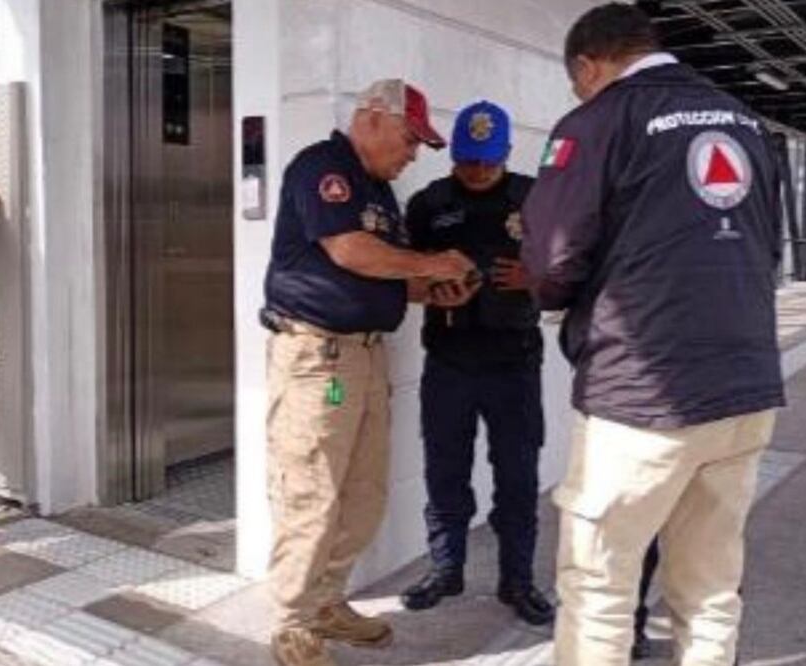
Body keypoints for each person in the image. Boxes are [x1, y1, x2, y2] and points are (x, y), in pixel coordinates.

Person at [521, 4, 785, 665]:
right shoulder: (745, 121)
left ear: (588, 64)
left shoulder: (600, 120)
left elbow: (550, 262)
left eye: (576, 82)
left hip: (641, 400)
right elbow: (763, 245)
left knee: (597, 583)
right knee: (708, 588)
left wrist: (552, 288)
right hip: (745, 391)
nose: (578, 93)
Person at [261, 79, 476, 666]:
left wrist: (433, 289)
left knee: (363, 493)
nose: (413, 153)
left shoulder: (380, 193)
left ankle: (327, 600)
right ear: (372, 118)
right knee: (311, 491)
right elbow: (350, 252)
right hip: (317, 358)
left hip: (364, 354)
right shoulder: (323, 167)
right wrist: (433, 261)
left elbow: (385, 275)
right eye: (411, 139)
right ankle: (292, 623)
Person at [399, 100, 553, 626]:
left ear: (507, 153)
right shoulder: (429, 203)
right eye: (468, 160)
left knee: (517, 476)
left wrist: (536, 278)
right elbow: (400, 275)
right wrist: (430, 290)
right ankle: (446, 569)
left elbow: (574, 260)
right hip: (449, 363)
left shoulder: (535, 197)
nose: (479, 170)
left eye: (489, 160)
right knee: (445, 470)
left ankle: (518, 581)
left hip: (515, 363)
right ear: (454, 156)